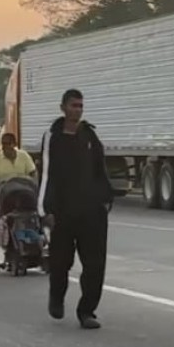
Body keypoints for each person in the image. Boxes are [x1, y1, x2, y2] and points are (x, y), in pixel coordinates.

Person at [39, 89, 112, 330]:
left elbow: (101, 171)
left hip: (92, 213)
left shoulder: (89, 135)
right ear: (63, 107)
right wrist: (44, 210)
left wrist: (105, 200)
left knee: (94, 264)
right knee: (60, 262)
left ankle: (87, 311)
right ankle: (56, 297)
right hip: (62, 212)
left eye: (81, 106)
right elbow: (47, 175)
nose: (77, 110)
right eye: (73, 105)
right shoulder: (53, 136)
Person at [0, 132, 36, 216]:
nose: (5, 147)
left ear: (14, 144)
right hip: (5, 195)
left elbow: (33, 173)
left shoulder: (24, 156)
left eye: (8, 144)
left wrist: (34, 187)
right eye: (3, 144)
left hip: (23, 193)